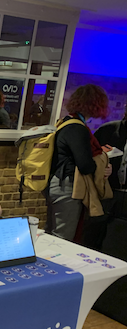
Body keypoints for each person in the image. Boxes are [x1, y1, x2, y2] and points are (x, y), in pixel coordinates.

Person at [45, 84, 112, 241]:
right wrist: (102, 162)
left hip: (57, 183)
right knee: (62, 238)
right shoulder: (78, 128)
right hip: (67, 187)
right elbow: (85, 164)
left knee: (52, 233)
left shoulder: (65, 122)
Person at [81, 104, 127, 250]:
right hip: (106, 190)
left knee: (119, 242)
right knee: (93, 233)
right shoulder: (108, 130)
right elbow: (88, 157)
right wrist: (100, 168)